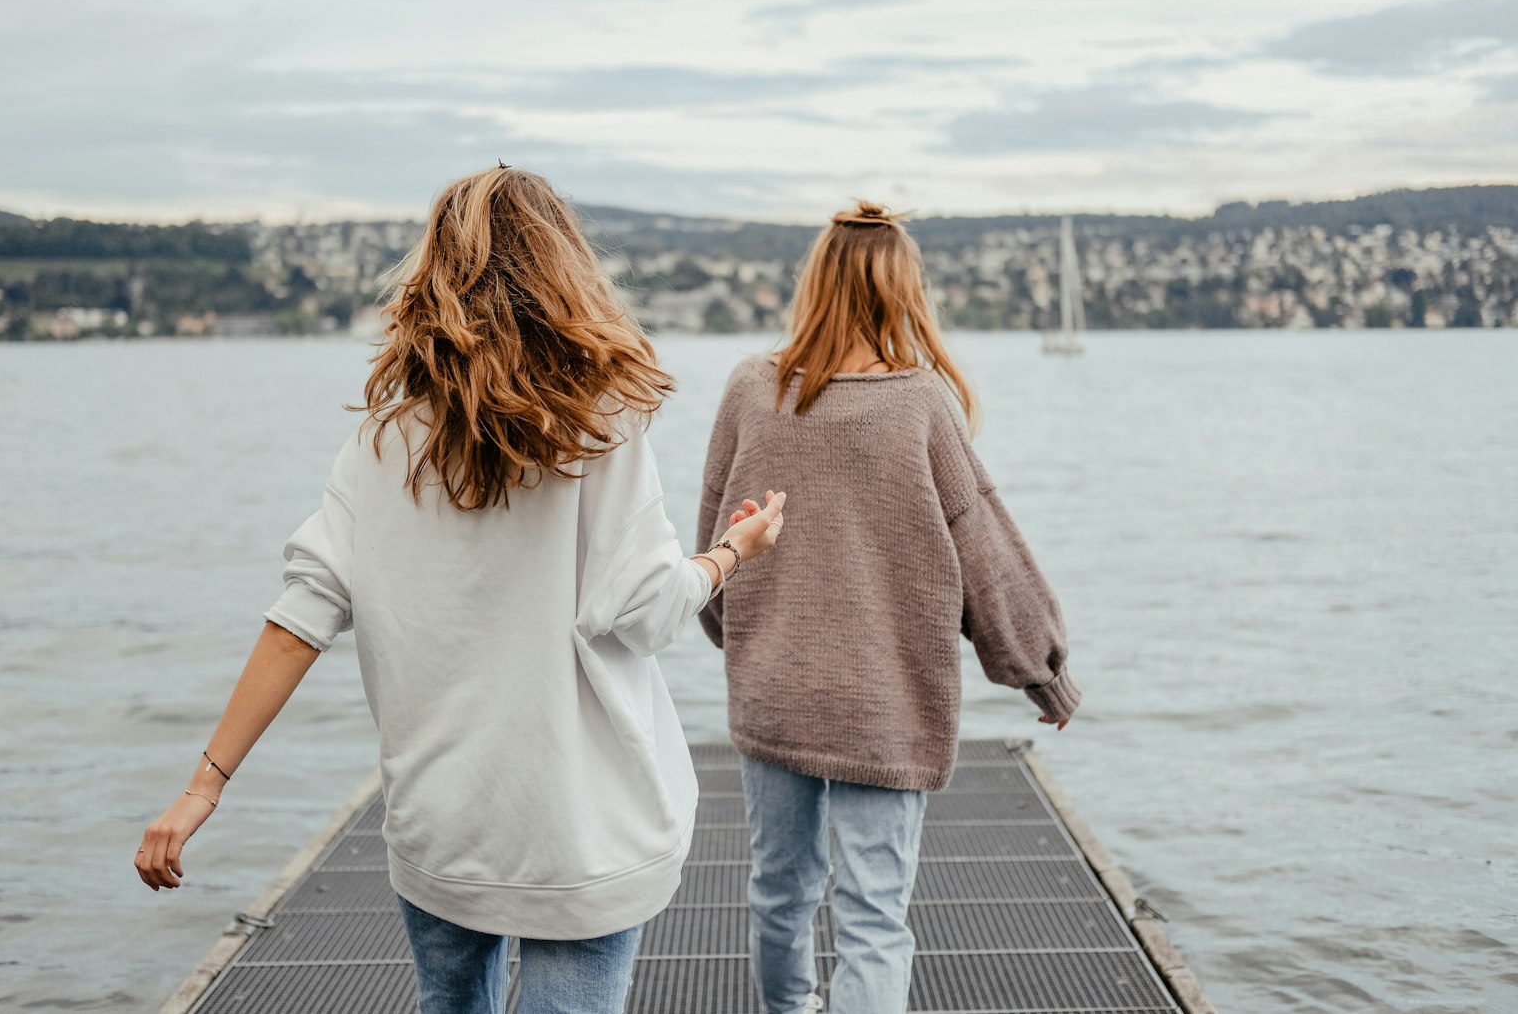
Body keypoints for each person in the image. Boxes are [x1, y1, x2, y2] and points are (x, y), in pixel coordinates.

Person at [133, 165, 786, 1014]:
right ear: (565, 271)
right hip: (580, 829)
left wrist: (204, 785)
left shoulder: (381, 445)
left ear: (434, 277)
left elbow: (299, 620)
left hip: (443, 827)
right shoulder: (604, 428)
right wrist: (732, 552)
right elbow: (642, 609)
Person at [699, 201, 1079, 1014]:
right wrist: (1042, 673)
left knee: (778, 891)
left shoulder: (748, 390)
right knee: (873, 916)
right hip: (885, 702)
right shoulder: (921, 406)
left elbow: (713, 543)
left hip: (775, 687)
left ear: (816, 284)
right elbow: (989, 561)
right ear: (905, 292)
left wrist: (746, 640)